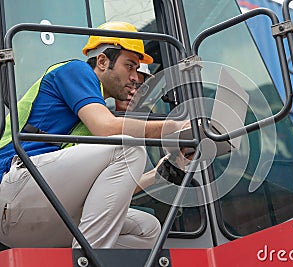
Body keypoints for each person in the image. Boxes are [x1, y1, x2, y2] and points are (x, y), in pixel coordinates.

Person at [0, 21, 188, 249]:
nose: (135, 78)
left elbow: (108, 193)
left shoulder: (94, 112)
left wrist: (159, 174)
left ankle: (87, 255)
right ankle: (89, 259)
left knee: (147, 230)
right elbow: (107, 128)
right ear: (102, 61)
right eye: (130, 66)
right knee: (128, 147)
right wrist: (174, 128)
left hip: (35, 214)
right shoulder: (76, 71)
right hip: (13, 189)